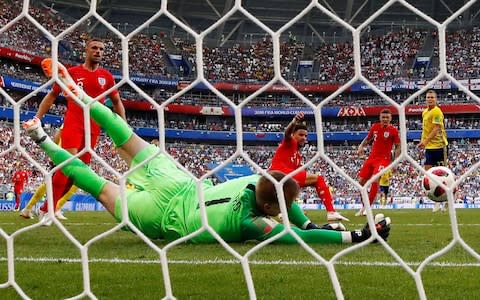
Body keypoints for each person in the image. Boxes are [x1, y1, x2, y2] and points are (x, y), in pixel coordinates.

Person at [21, 58, 391, 244]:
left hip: (182, 182)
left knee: (127, 137)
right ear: (268, 210)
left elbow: (280, 189)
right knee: (99, 186)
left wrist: (308, 220)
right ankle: (41, 137)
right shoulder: (251, 222)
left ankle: (82, 97)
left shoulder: (253, 180)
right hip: (165, 219)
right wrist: (355, 236)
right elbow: (296, 235)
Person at [34, 38, 126, 222]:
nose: (98, 51)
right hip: (73, 123)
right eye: (94, 48)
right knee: (68, 164)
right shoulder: (72, 73)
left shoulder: (107, 77)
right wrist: (38, 117)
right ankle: (48, 211)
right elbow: (52, 95)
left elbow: (117, 102)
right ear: (86, 50)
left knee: (79, 173)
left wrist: (123, 128)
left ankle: (46, 208)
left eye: (101, 48)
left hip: (93, 127)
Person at [269, 112, 349, 222]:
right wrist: (294, 121)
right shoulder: (290, 142)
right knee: (318, 179)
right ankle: (331, 212)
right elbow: (287, 133)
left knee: (296, 187)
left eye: (306, 136)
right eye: (301, 135)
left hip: (280, 179)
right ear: (293, 135)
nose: (304, 138)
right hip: (278, 175)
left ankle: (285, 211)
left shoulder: (297, 155)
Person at [20, 127, 77, 220]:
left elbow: (58, 136)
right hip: (64, 155)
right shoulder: (75, 118)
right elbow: (59, 135)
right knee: (58, 183)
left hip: (66, 155)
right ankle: (52, 208)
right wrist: (54, 153)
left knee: (56, 183)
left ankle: (29, 208)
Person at [356, 109, 400, 216]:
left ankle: (368, 207)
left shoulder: (393, 130)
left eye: (387, 117)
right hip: (371, 158)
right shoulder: (375, 127)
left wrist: (395, 162)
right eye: (383, 117)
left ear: (390, 119)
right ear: (380, 118)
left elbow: (398, 146)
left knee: (375, 180)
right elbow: (368, 138)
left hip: (383, 160)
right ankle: (364, 206)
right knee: (361, 182)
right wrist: (361, 146)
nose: (385, 119)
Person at [417, 90, 448, 212]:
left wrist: (424, 142)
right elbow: (426, 129)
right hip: (429, 148)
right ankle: (436, 201)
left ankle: (446, 200)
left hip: (439, 146)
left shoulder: (437, 111)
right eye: (428, 97)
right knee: (429, 175)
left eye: (432, 97)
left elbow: (435, 129)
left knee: (444, 176)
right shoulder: (425, 112)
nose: (430, 99)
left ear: (436, 99)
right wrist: (423, 142)